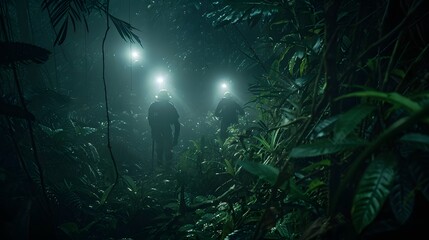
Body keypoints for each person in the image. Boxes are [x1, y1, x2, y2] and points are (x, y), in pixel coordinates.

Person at [148, 89, 180, 168]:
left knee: (161, 152)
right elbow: (177, 124)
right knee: (165, 152)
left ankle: (162, 170)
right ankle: (165, 171)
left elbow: (150, 121)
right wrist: (175, 138)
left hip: (160, 132)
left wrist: (153, 131)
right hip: (164, 132)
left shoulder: (154, 106)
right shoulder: (169, 106)